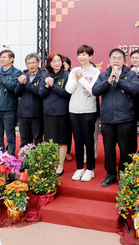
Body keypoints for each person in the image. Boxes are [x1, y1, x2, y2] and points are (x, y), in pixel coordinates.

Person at [92, 48, 139, 187]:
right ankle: (111, 175)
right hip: (108, 119)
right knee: (108, 149)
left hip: (125, 119)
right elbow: (95, 91)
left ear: (124, 60)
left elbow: (135, 90)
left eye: (119, 58)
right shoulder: (103, 75)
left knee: (126, 149)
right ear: (109, 60)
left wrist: (119, 81)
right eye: (114, 58)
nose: (116, 60)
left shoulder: (131, 74)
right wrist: (108, 81)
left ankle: (125, 175)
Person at [66, 45, 100, 182]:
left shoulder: (95, 71)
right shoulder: (74, 70)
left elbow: (94, 90)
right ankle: (80, 167)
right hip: (74, 110)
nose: (81, 57)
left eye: (85, 54)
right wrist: (76, 79)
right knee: (78, 140)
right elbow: (68, 89)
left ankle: (90, 169)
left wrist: (82, 79)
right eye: (80, 54)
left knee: (88, 140)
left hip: (88, 110)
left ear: (90, 56)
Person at [39, 52, 71, 175]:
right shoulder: (45, 76)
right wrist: (47, 86)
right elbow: (41, 94)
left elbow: (66, 93)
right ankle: (51, 164)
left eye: (59, 61)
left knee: (62, 140)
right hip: (48, 112)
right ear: (49, 64)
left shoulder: (67, 75)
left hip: (62, 112)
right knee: (49, 141)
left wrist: (53, 86)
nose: (57, 63)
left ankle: (60, 166)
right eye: (54, 62)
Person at [0, 50, 22, 155]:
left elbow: (12, 87)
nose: (1, 59)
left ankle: (10, 156)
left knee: (10, 136)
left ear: (11, 59)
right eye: (1, 57)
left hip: (9, 109)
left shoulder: (17, 72)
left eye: (4, 57)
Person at [14, 53, 45, 147]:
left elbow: (40, 93)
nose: (31, 65)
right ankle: (25, 160)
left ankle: (37, 160)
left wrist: (26, 83)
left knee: (38, 139)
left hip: (37, 113)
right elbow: (17, 93)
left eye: (33, 62)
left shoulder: (43, 75)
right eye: (28, 63)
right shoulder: (23, 74)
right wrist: (20, 83)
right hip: (23, 113)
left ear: (38, 63)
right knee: (24, 139)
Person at [61, 54, 74, 161]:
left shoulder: (72, 74)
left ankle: (68, 151)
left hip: (70, 106)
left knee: (68, 131)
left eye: (64, 63)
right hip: (59, 106)